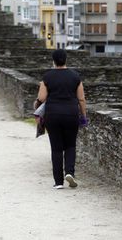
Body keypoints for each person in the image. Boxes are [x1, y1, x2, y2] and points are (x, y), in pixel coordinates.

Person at [35, 49, 87, 190]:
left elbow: (41, 98)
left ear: (53, 61)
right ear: (66, 60)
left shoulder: (47, 77)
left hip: (53, 115)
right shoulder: (75, 77)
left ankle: (58, 182)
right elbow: (81, 99)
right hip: (71, 114)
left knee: (56, 148)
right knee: (70, 146)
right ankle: (69, 172)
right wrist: (83, 116)